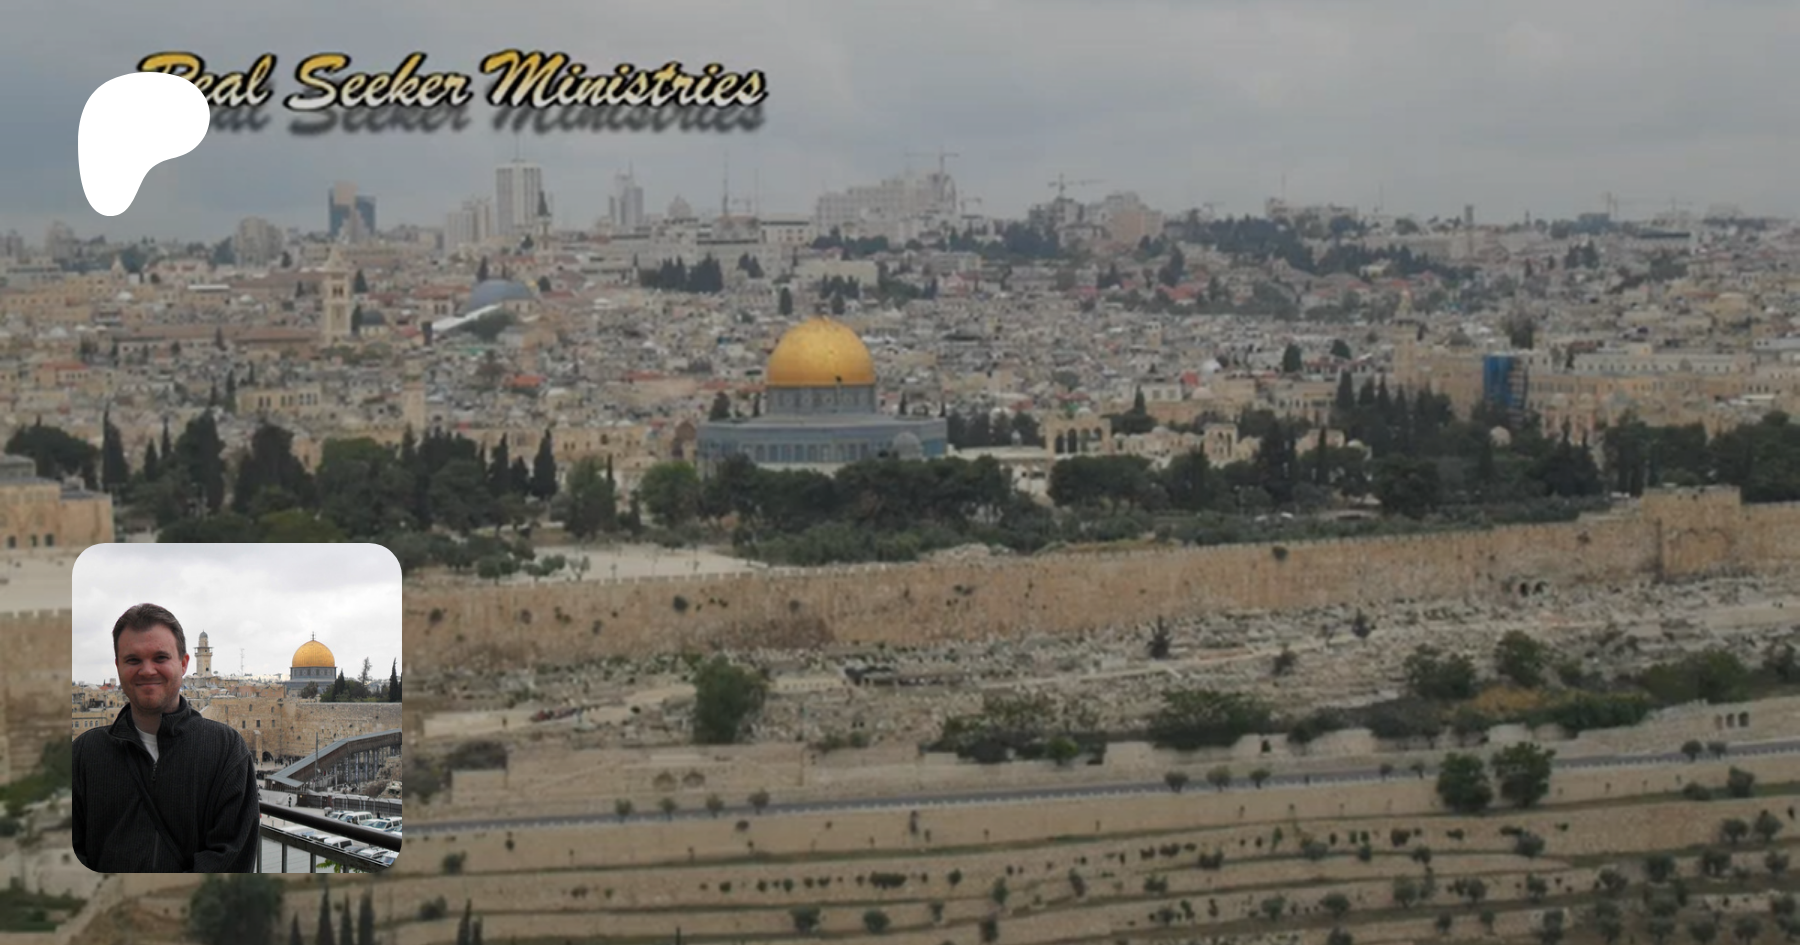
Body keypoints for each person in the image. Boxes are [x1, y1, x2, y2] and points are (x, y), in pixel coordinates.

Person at [72, 603, 260, 872]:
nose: (147, 670)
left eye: (160, 658)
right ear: (118, 667)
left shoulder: (226, 751)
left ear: (183, 664)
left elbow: (230, 861)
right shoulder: (84, 754)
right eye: (133, 660)